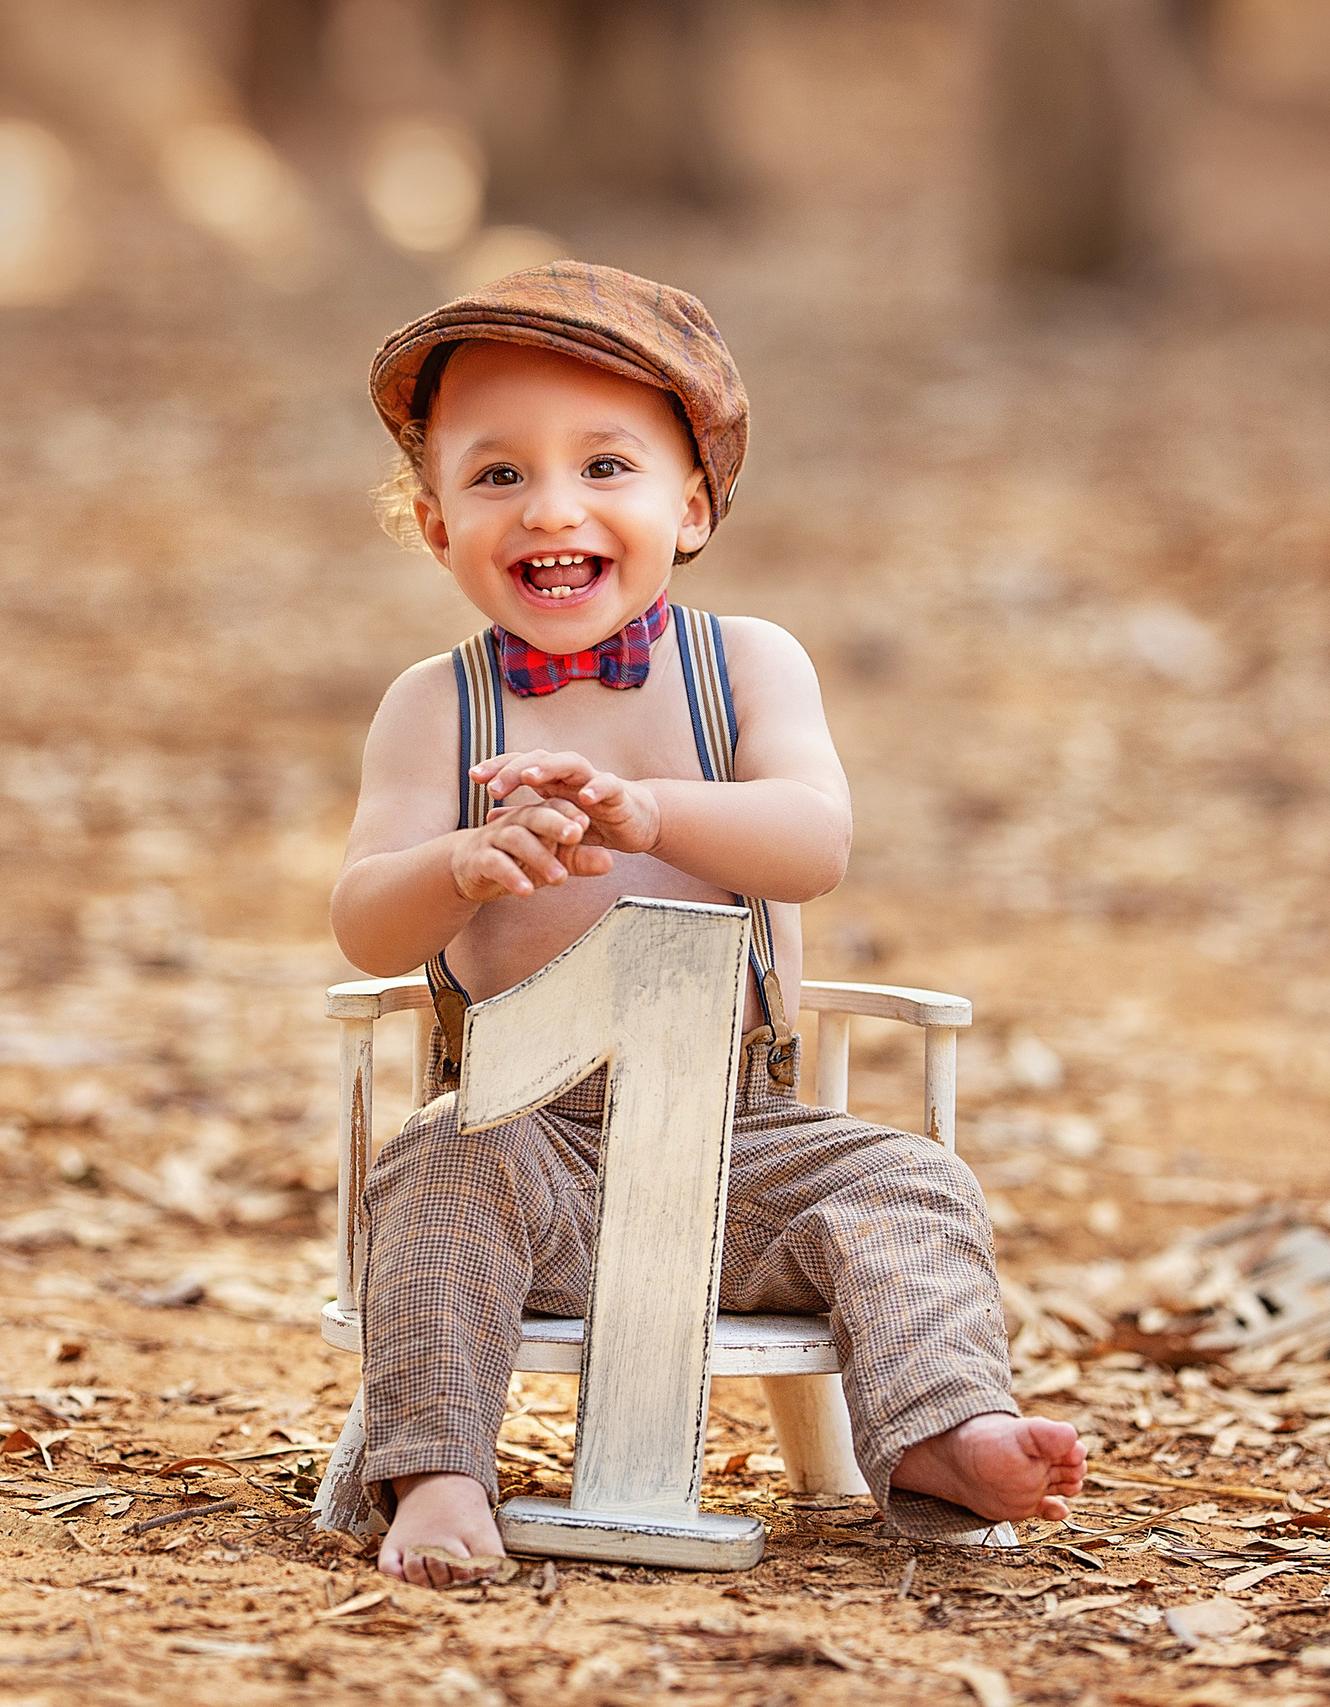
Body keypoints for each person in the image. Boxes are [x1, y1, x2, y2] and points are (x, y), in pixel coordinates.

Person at [326, 262, 1084, 1587]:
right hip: (532, 1144)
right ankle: (440, 1479)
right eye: (497, 476)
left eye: (604, 465)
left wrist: (652, 811)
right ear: (436, 526)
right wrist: (461, 863)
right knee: (430, 1177)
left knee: (913, 1187)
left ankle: (943, 1433)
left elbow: (815, 842)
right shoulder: (435, 709)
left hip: (745, 1145)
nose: (552, 506)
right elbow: (364, 927)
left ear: (691, 507)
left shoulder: (746, 668)